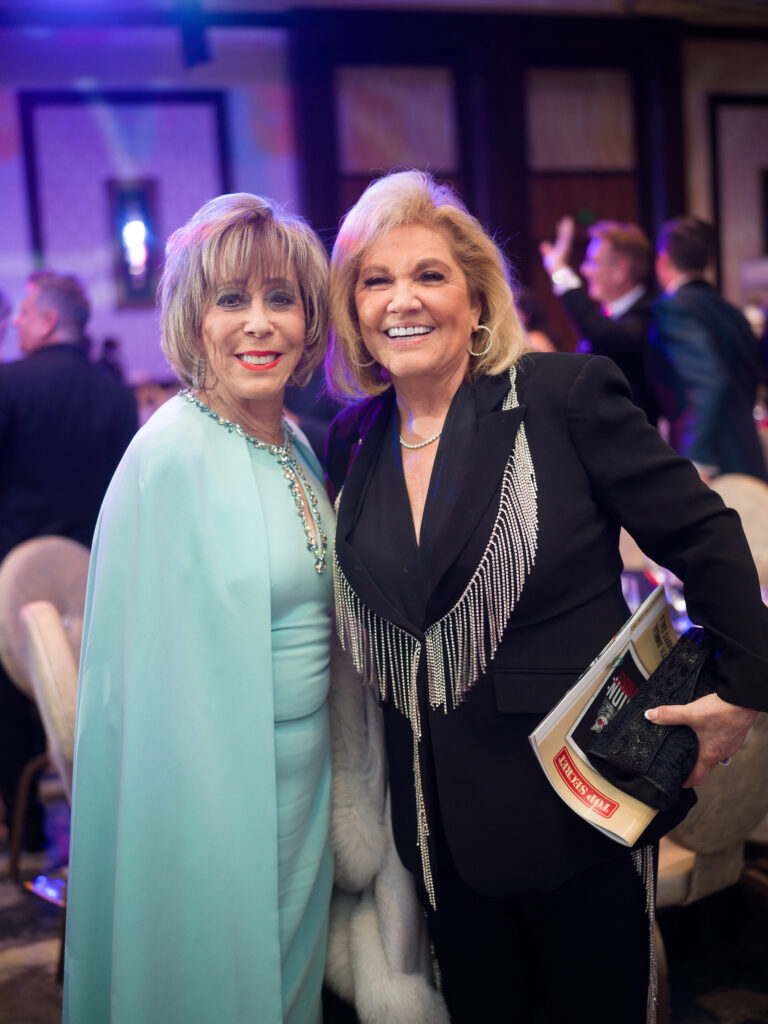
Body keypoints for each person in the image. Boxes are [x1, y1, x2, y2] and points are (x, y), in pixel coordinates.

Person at [324, 171, 768, 1024]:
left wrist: (742, 690)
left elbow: (706, 536)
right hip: (430, 827)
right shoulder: (355, 437)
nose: (400, 301)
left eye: (428, 275)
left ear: (476, 295)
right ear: (352, 308)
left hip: (578, 809)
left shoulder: (562, 397)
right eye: (375, 280)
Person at [64, 194, 335, 1024]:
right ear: (194, 317)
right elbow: (149, 695)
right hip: (221, 802)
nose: (260, 325)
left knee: (287, 989)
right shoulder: (173, 451)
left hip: (308, 784)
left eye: (280, 299)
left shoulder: (292, 438)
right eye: (231, 301)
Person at [0, 271, 137, 852]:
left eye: (24, 315)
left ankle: (26, 831)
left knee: (13, 706)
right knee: (90, 702)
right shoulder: (116, 390)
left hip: (16, 577)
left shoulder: (9, 384)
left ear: (49, 320)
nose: (16, 324)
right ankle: (100, 824)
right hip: (92, 578)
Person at [651, 216, 767, 482]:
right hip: (747, 453)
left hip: (711, 460)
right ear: (709, 262)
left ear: (663, 261)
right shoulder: (732, 311)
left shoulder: (674, 308)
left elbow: (708, 381)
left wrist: (698, 456)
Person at [540, 216, 658, 423]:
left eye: (593, 262)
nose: (585, 270)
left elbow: (603, 334)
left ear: (620, 271)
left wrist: (560, 271)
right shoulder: (606, 316)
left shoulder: (646, 315)